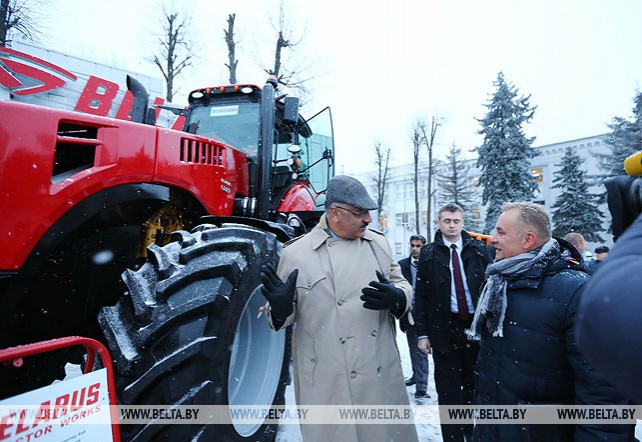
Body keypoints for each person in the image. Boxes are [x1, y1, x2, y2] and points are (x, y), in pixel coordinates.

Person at [260, 175, 419, 442]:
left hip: (376, 372)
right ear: (335, 213)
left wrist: (398, 298)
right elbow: (280, 317)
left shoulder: (378, 243)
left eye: (368, 212)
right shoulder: (296, 253)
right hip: (327, 376)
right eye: (359, 213)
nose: (368, 219)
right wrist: (279, 308)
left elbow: (401, 283)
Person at [469, 202, 633, 441]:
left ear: (528, 240)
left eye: (501, 232)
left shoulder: (576, 291)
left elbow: (602, 387)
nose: (492, 239)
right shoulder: (498, 283)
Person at [414, 203, 493, 442]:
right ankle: (453, 437)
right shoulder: (428, 253)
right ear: (438, 222)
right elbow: (421, 297)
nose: (451, 225)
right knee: (448, 390)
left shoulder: (479, 250)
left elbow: (492, 288)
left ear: (462, 223)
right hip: (443, 329)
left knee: (473, 386)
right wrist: (422, 333)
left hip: (474, 329)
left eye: (456, 221)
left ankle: (469, 432)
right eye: (447, 220)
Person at [398, 234, 429, 399]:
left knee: (422, 349)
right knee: (412, 347)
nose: (415, 249)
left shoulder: (429, 265)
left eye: (419, 246)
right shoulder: (402, 265)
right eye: (413, 245)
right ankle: (416, 376)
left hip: (425, 313)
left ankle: (422, 388)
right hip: (408, 313)